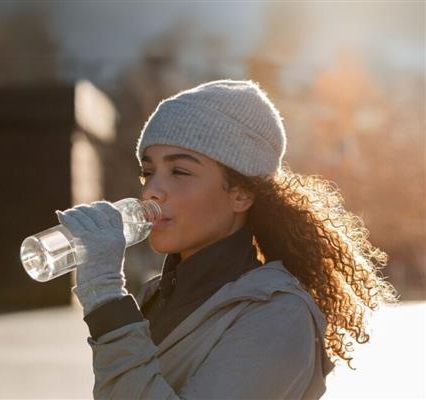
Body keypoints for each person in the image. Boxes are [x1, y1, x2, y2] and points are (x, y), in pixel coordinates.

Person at [55, 79, 398, 399]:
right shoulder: (154, 297)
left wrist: (106, 299)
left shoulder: (277, 314)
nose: (152, 191)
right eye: (148, 171)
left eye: (180, 172)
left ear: (241, 194)